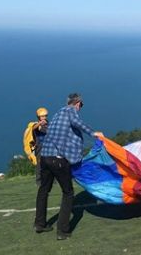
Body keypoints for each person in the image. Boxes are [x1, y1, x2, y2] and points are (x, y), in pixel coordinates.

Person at [34, 93, 104, 240]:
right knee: (68, 192)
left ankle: (39, 224)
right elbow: (78, 124)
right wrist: (94, 133)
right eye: (81, 105)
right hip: (58, 159)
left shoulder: (59, 112)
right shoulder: (71, 111)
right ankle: (62, 230)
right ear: (77, 103)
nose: (80, 108)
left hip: (45, 158)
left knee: (44, 189)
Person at [23, 107, 48, 186]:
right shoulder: (35, 124)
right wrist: (40, 124)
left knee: (50, 163)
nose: (44, 118)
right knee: (39, 164)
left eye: (45, 116)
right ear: (39, 117)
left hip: (48, 146)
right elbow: (33, 128)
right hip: (39, 147)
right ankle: (39, 181)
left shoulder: (48, 124)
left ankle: (51, 180)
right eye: (42, 116)